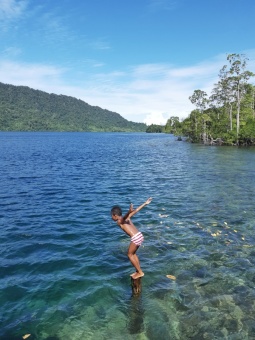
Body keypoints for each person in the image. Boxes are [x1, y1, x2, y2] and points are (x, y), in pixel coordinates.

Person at [111, 197, 152, 279]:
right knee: (133, 254)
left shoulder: (119, 221)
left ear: (115, 215)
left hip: (136, 237)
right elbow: (136, 210)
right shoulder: (128, 217)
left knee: (129, 254)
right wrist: (145, 203)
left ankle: (140, 272)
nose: (111, 217)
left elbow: (123, 219)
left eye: (111, 216)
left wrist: (128, 211)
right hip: (139, 235)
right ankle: (138, 271)